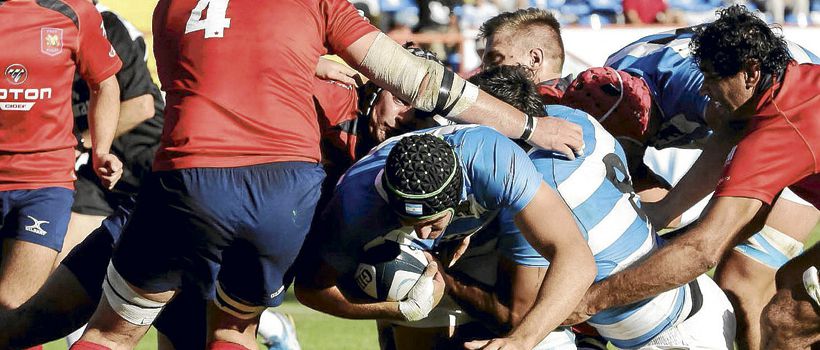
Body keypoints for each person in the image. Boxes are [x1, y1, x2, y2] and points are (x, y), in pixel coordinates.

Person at [75, 1, 587, 344]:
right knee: (230, 332)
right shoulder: (317, 11)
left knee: (110, 334)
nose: (404, 115)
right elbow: (413, 77)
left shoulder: (172, 6)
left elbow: (218, 67)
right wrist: (526, 127)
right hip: (280, 189)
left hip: (189, 176)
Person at [564, 6, 820, 349]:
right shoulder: (787, 80)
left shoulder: (773, 134)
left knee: (784, 318)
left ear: (751, 73)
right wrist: (664, 215)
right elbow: (730, 135)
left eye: (713, 78)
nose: (706, 88)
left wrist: (589, 303)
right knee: (790, 282)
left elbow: (703, 250)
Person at [458, 65, 734, 350]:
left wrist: (444, 278)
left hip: (672, 335)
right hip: (691, 302)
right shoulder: (574, 119)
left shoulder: (537, 187)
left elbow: (519, 312)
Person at [295, 129, 595, 350]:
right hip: (400, 251)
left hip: (487, 228)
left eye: (431, 223)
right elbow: (311, 289)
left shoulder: (492, 162)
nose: (423, 233)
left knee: (534, 326)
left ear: (458, 199)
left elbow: (576, 258)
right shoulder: (356, 209)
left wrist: (521, 340)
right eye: (411, 222)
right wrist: (398, 310)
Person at [0, 0, 122, 315]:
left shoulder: (74, 11)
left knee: (14, 308)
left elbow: (105, 84)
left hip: (45, 183)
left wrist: (101, 149)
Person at [62, 0, 165, 268]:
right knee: (62, 266)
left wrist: (80, 144)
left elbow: (142, 106)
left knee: (163, 277)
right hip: (92, 176)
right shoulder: (41, 29)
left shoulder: (107, 24)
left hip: (143, 163)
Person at [479, 8, 570, 104]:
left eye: (495, 60)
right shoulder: (574, 105)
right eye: (485, 63)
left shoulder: (556, 115)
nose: (485, 69)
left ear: (535, 59)